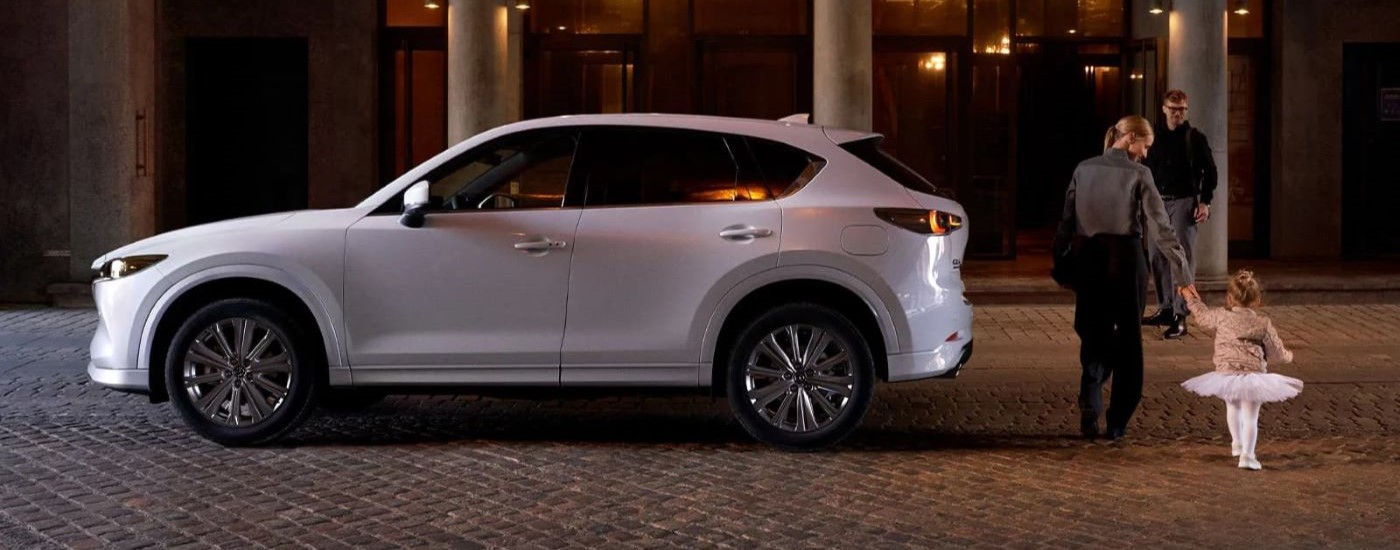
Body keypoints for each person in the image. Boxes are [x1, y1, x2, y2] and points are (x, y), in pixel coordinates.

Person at [1054, 115, 1195, 441]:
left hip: (1089, 259)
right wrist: (1183, 275)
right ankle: (1117, 420)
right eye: (1144, 146)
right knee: (1129, 341)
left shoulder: (1083, 169)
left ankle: (1091, 393)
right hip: (1126, 261)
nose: (1146, 154)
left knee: (1092, 330)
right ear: (1130, 138)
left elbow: (1065, 222)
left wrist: (1061, 262)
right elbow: (1162, 229)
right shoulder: (1139, 174)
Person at [1179, 271, 1301, 471]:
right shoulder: (1263, 323)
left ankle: (1236, 443)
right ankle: (1248, 455)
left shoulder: (1221, 316)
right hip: (1253, 374)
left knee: (1232, 407)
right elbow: (1276, 352)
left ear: (1229, 298)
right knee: (1250, 416)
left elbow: (1201, 316)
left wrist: (1188, 296)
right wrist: (1289, 356)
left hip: (1226, 372)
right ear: (1257, 300)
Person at [1142, 89, 1219, 340]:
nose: (1177, 114)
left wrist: (1205, 202)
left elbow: (1210, 171)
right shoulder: (1153, 137)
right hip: (1156, 203)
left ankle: (1181, 314)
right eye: (1173, 109)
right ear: (1164, 109)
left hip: (1184, 202)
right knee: (1156, 255)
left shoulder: (1194, 138)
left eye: (1182, 109)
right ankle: (1165, 308)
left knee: (1182, 258)